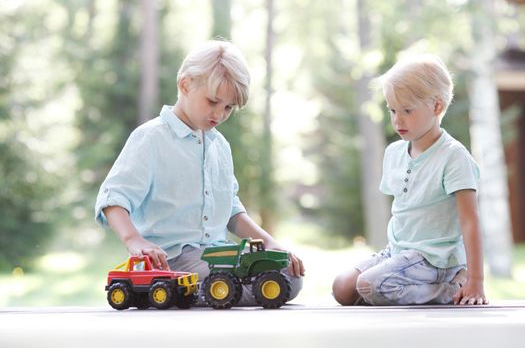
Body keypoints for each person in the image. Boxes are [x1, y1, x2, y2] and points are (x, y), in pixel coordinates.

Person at [95, 40, 304, 305]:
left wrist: (270, 243)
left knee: (289, 276)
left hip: (218, 257)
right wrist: (134, 240)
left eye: (228, 107)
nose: (220, 113)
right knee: (238, 281)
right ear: (185, 85)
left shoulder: (219, 145)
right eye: (213, 101)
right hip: (172, 259)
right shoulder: (150, 138)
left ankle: (203, 296)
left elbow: (231, 209)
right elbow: (113, 198)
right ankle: (185, 292)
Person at [332, 54, 488, 306]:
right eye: (392, 110)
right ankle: (386, 294)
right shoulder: (394, 153)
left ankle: (451, 288)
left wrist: (476, 281)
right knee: (342, 288)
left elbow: (470, 221)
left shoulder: (454, 156)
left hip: (434, 258)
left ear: (436, 107)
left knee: (368, 286)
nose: (397, 119)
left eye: (407, 110)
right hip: (399, 252)